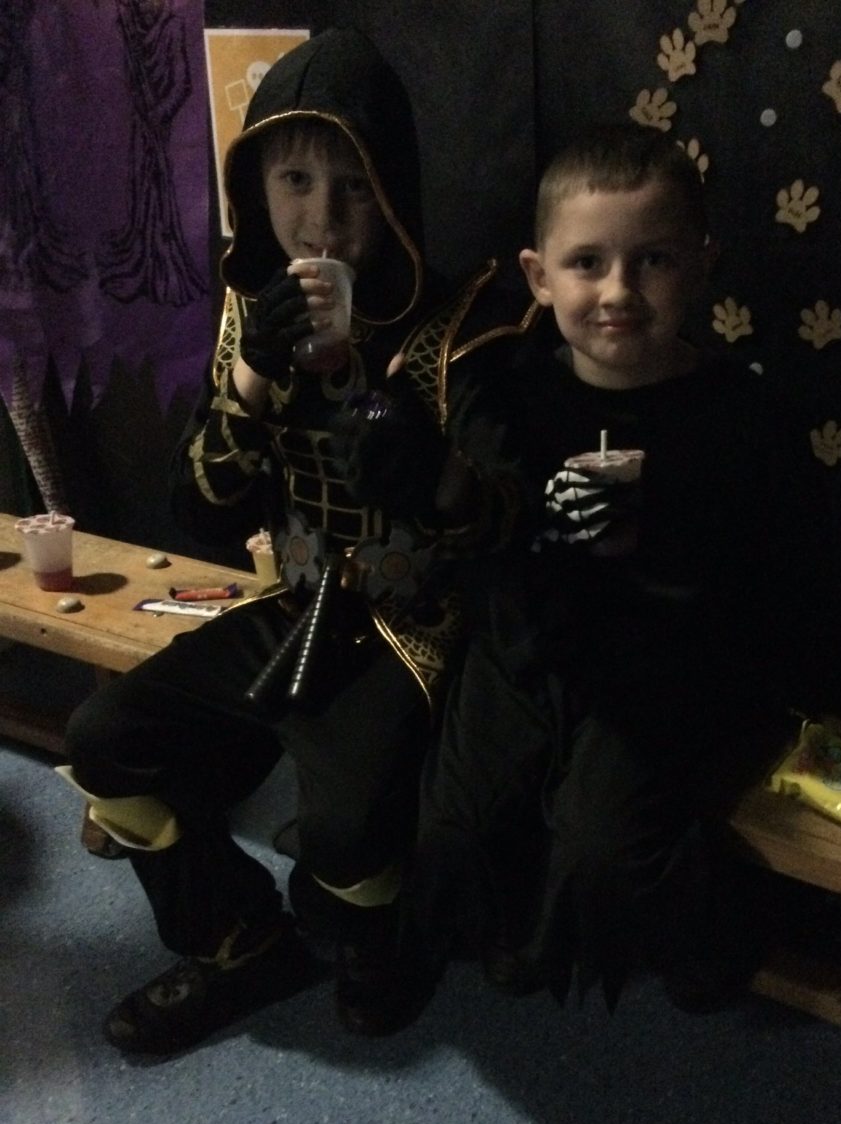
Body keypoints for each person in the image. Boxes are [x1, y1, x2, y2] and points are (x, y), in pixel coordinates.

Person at [61, 27, 529, 1054]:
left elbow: (515, 530)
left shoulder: (466, 325)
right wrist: (251, 382)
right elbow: (202, 512)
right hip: (296, 603)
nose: (323, 216)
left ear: (395, 185)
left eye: (355, 184)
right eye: (296, 181)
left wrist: (434, 473)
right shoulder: (251, 313)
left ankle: (379, 945)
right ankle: (237, 939)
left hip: (414, 622)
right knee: (105, 741)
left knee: (348, 830)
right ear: (256, 188)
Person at [399, 121, 798, 1016]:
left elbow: (763, 593)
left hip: (663, 663)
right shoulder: (509, 396)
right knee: (456, 825)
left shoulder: (738, 415)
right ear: (539, 276)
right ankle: (513, 925)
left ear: (700, 265)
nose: (617, 291)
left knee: (604, 850)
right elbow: (480, 546)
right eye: (586, 263)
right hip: (527, 646)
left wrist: (654, 538)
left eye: (651, 261)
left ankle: (702, 934)